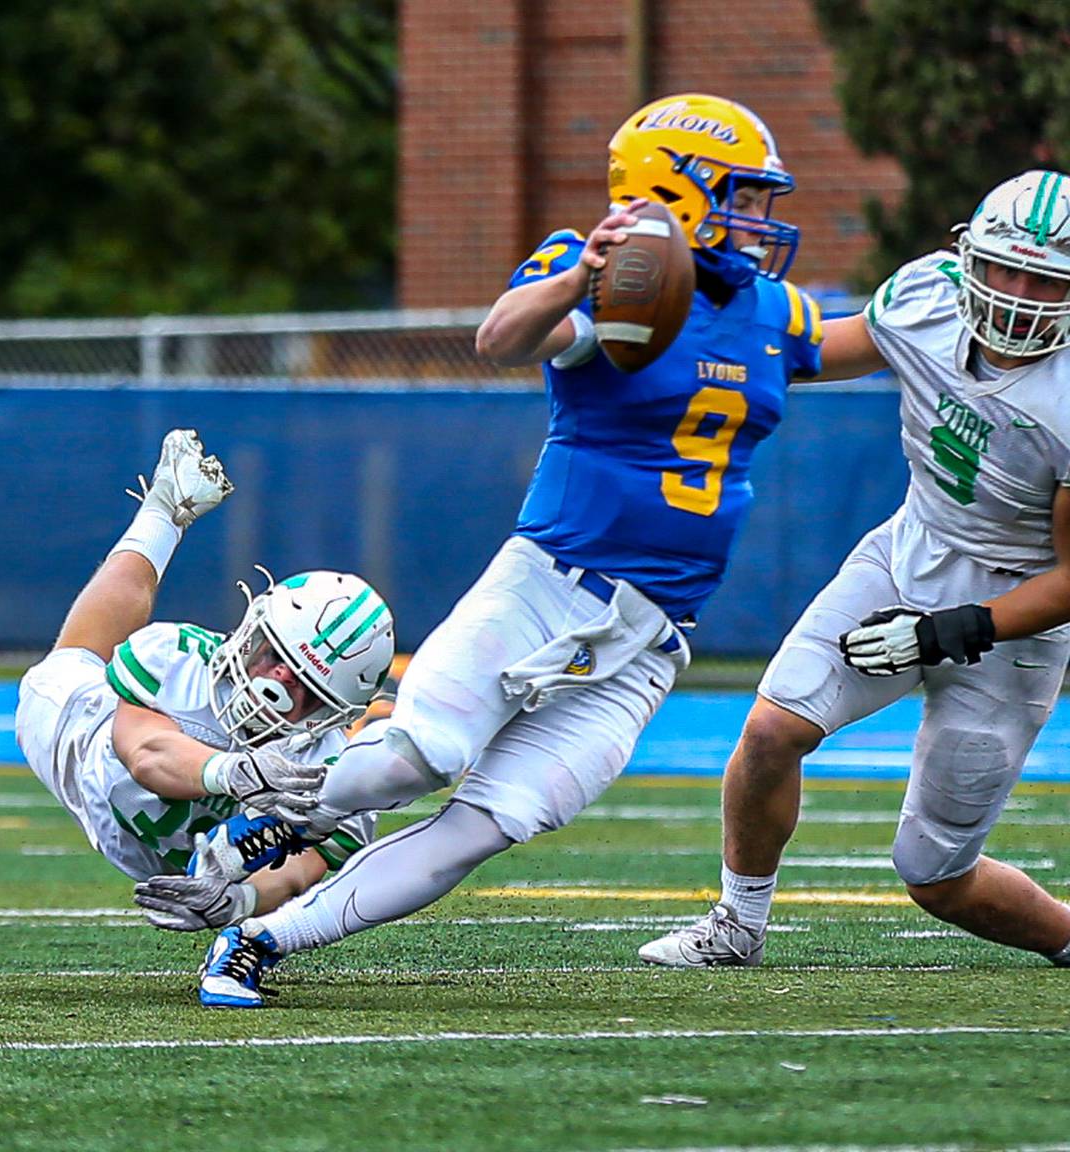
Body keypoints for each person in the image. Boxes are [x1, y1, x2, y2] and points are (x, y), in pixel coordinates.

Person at [152, 93, 827, 1007]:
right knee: (420, 754)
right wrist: (580, 277)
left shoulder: (771, 309)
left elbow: (853, 344)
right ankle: (256, 828)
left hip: (652, 639)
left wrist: (949, 315)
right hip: (549, 581)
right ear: (677, 189)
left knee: (489, 824)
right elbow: (503, 336)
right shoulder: (603, 269)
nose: (758, 217)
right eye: (741, 193)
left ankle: (259, 938)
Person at [639, 169, 1070, 969]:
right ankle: (737, 926)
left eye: (1042, 278)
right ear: (968, 257)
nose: (1015, 293)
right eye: (1003, 267)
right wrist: (702, 345)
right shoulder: (926, 297)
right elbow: (817, 352)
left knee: (936, 877)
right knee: (772, 730)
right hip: (909, 554)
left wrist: (945, 634)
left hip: (1012, 622)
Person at [14, 428, 396, 931]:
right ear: (250, 632)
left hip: (180, 857)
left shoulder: (329, 764)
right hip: (85, 753)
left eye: (303, 686)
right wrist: (235, 774)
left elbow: (303, 871)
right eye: (274, 656)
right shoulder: (179, 658)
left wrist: (238, 901)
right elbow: (146, 753)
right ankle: (162, 512)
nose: (277, 681)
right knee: (67, 663)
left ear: (333, 711)